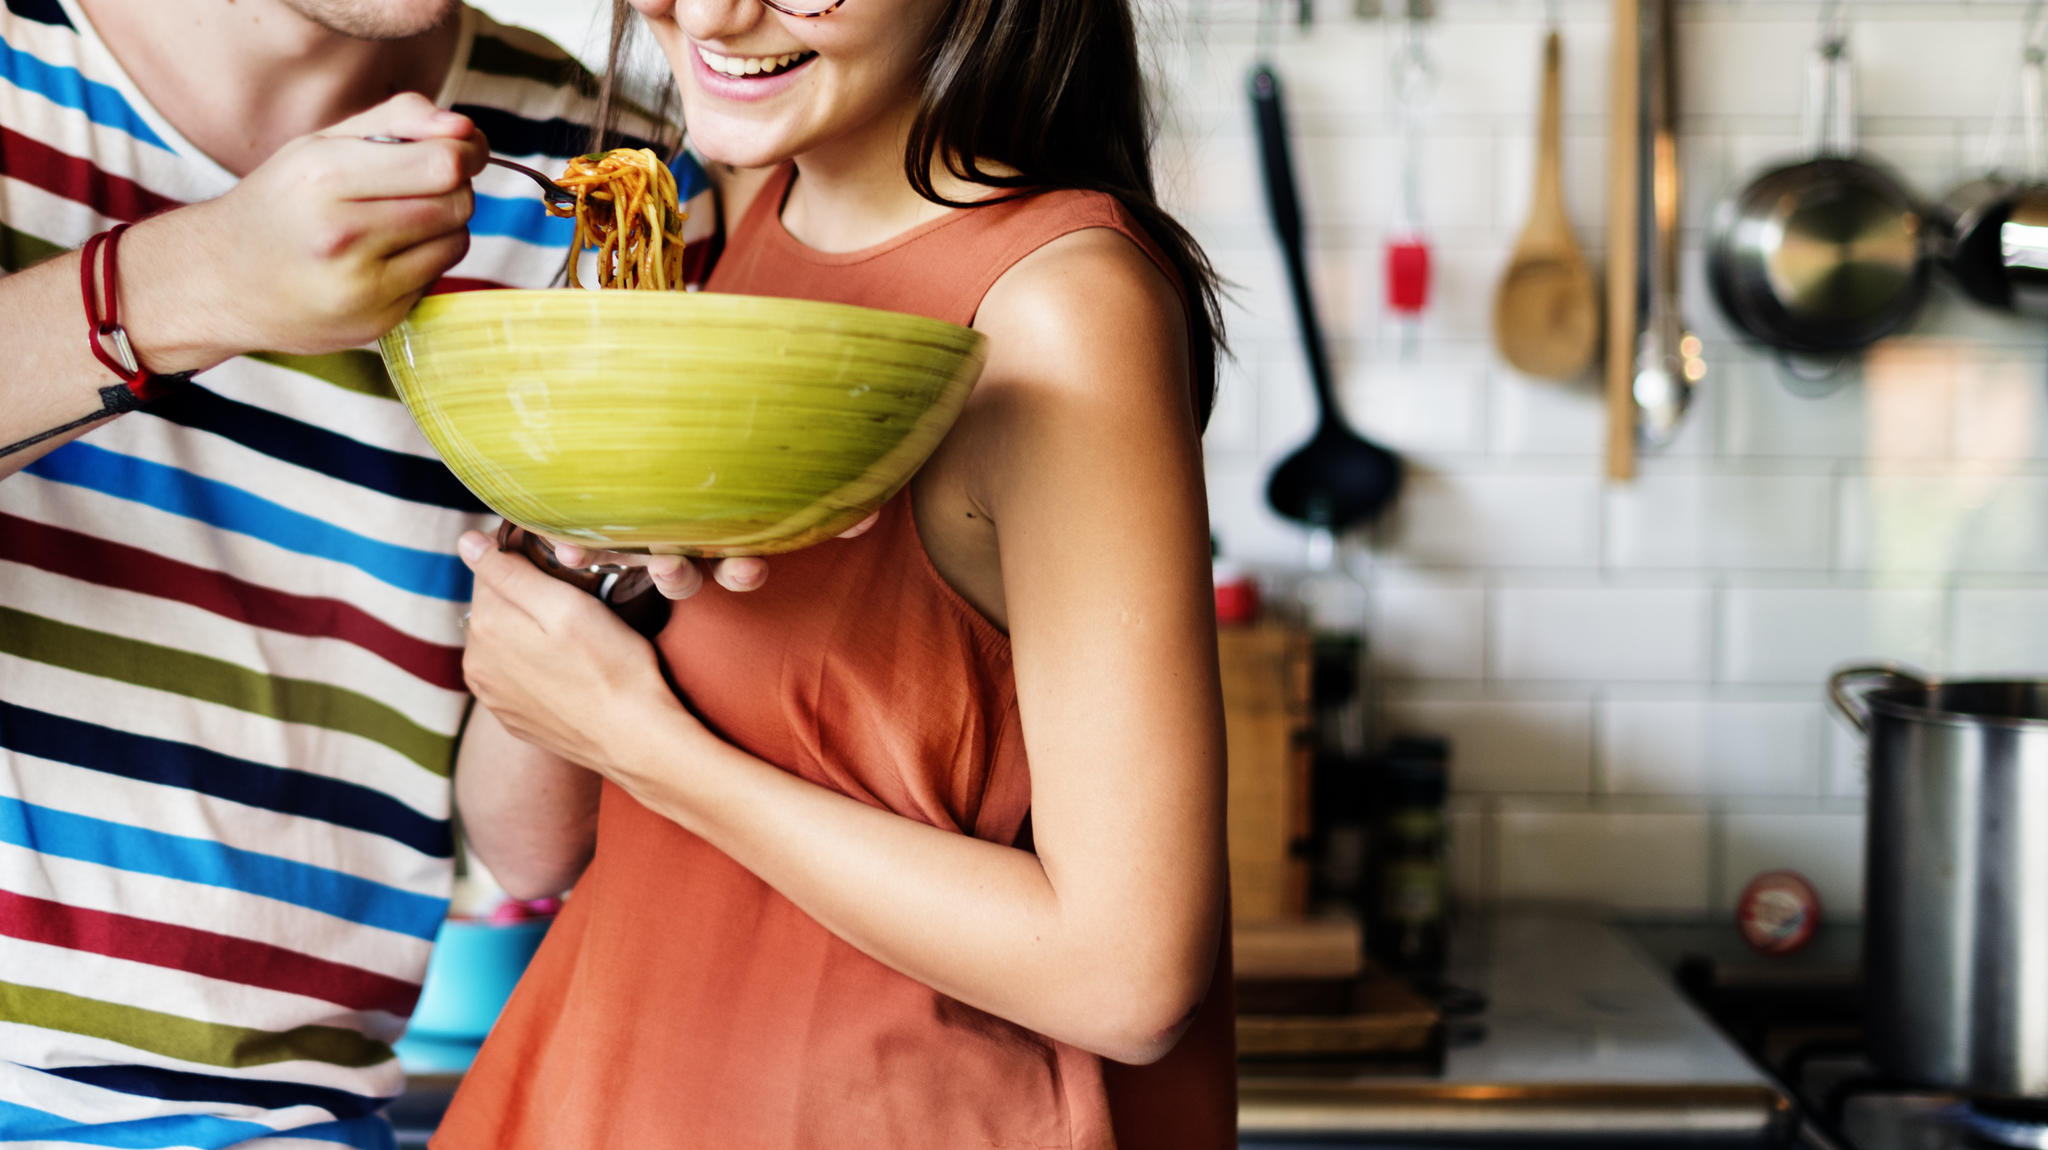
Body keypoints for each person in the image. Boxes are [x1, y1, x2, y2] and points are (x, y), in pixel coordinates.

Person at [439, 0, 1235, 1145]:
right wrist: (565, 563)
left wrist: (650, 749)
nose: (711, 12)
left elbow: (1126, 974)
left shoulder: (1062, 312)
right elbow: (524, 844)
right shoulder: (730, 222)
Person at [0, 0, 716, 1144]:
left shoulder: (616, 165)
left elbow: (524, 847)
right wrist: (192, 278)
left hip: (304, 1115)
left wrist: (581, 553)